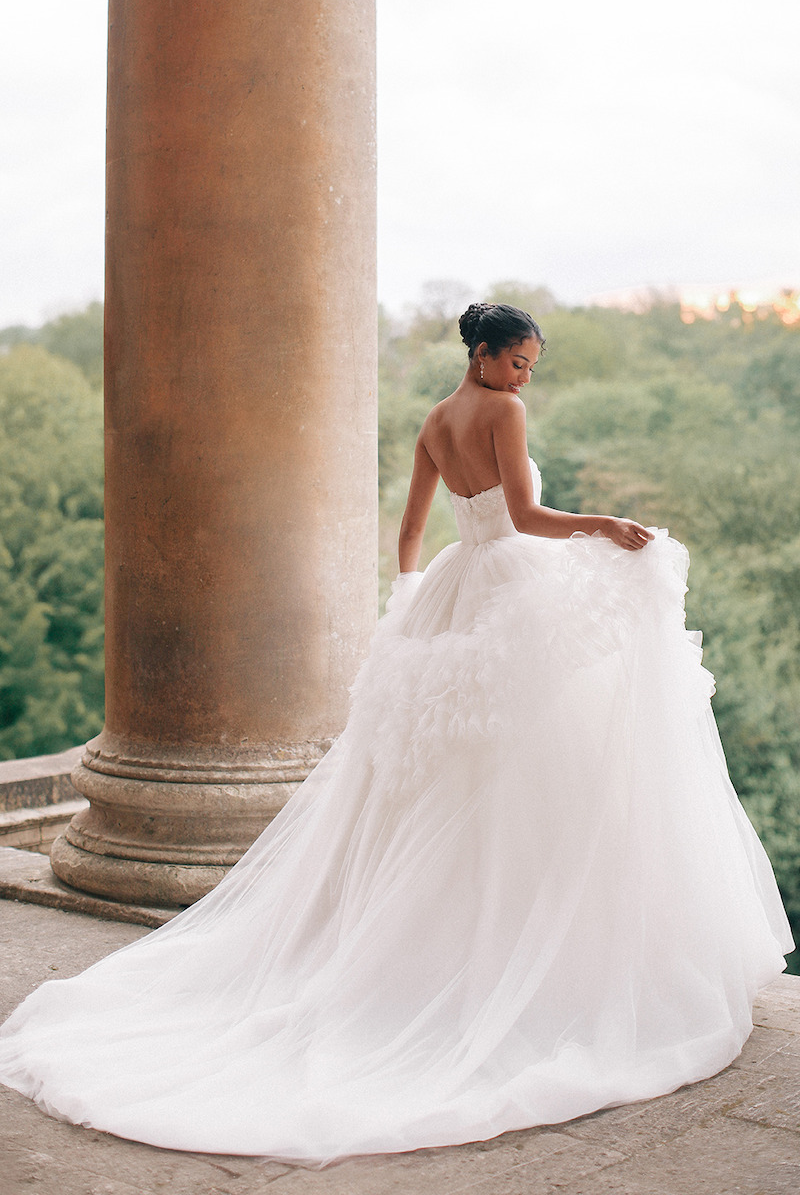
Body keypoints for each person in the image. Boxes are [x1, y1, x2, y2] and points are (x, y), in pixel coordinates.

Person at [0, 302, 793, 1164]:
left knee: (459, 773)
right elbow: (525, 518)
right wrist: (600, 525)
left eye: (532, 366)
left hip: (454, 587)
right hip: (510, 584)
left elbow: (412, 530)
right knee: (541, 755)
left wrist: (411, 610)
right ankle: (517, 960)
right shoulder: (503, 414)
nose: (527, 377)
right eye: (519, 362)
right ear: (485, 356)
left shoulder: (435, 419)